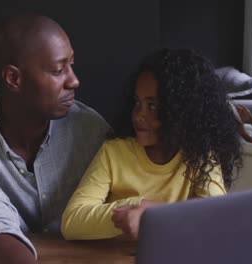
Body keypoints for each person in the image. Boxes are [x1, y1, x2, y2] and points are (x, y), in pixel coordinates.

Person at [0, 14, 109, 264]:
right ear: (13, 79)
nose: (74, 80)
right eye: (59, 70)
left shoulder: (91, 130)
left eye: (71, 66)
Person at [61, 49, 242, 240]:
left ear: (183, 113)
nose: (139, 115)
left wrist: (154, 213)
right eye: (137, 103)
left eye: (152, 106)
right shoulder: (114, 153)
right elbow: (72, 221)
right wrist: (136, 205)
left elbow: (217, 222)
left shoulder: (201, 156)